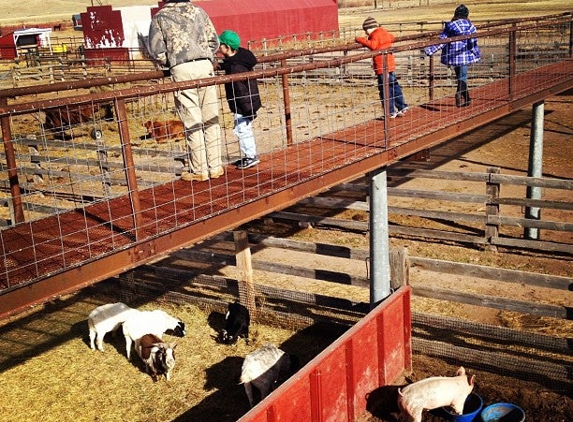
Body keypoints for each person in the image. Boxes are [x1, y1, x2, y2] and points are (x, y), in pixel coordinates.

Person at [148, 0, 223, 182]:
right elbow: (214, 41)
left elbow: (156, 50)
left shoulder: (160, 17)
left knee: (192, 119)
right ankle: (215, 166)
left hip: (181, 68)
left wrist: (170, 61)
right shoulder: (198, 11)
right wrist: (205, 54)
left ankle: (199, 169)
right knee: (210, 116)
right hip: (205, 65)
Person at [217, 30, 262, 170]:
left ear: (228, 48)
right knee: (244, 128)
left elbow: (240, 91)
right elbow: (229, 62)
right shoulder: (240, 60)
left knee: (242, 129)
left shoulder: (236, 69)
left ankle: (250, 156)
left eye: (221, 45)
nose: (219, 48)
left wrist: (247, 110)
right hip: (248, 101)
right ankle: (250, 155)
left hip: (242, 104)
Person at [424, 4, 481, 107]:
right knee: (463, 77)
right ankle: (458, 94)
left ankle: (467, 99)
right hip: (464, 56)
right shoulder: (471, 26)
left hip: (454, 56)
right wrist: (476, 53)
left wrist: (430, 50)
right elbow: (473, 42)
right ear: (467, 15)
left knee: (460, 77)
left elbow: (442, 41)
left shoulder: (450, 26)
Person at [356, 16, 408, 119]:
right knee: (394, 86)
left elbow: (373, 45)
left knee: (384, 89)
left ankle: (390, 112)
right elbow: (392, 38)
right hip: (390, 65)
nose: (366, 33)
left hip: (381, 66)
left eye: (366, 30)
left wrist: (360, 40)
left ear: (369, 28)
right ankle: (402, 107)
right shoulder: (384, 32)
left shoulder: (375, 35)